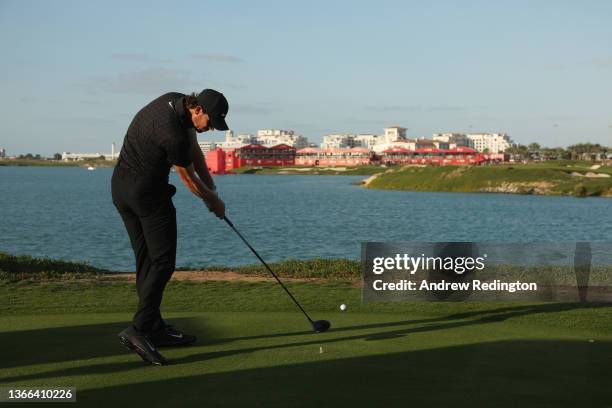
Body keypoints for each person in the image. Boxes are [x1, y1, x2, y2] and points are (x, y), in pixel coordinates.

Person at [112, 89, 228, 365]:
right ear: (197, 110)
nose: (211, 128)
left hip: (121, 189)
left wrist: (211, 186)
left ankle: (154, 328)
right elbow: (187, 179)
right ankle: (138, 330)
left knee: (147, 261)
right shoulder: (172, 135)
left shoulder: (176, 102)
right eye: (211, 122)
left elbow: (194, 150)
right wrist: (213, 201)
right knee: (163, 262)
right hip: (147, 195)